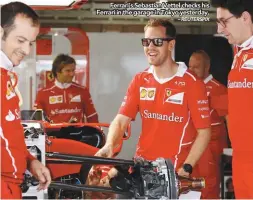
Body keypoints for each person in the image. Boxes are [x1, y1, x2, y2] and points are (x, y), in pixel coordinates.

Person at [89, 19, 211, 185]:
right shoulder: (141, 79)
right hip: (143, 170)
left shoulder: (192, 83)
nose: (150, 47)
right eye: (146, 41)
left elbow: (204, 132)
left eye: (157, 41)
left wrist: (187, 168)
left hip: (176, 174)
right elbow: (121, 120)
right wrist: (110, 144)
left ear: (171, 44)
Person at [0, 2, 51, 199]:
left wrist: (30, 161)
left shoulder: (6, 77)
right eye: (20, 40)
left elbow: (7, 133)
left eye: (30, 42)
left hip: (11, 187)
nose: (27, 50)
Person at [211, 0, 253, 198]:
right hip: (240, 159)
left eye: (224, 21)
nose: (219, 29)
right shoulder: (238, 51)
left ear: (245, 18)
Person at [189, 50, 228, 199]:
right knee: (189, 187)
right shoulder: (188, 87)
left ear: (207, 68)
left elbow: (228, 119)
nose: (191, 70)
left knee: (208, 189)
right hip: (191, 148)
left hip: (210, 150)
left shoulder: (218, 89)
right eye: (190, 66)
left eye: (196, 67)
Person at [34, 54, 98, 123]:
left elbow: (92, 116)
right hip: (53, 133)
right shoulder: (43, 93)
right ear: (57, 72)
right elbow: (37, 120)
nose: (72, 74)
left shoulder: (82, 91)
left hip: (77, 133)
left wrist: (97, 132)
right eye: (68, 71)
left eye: (73, 70)